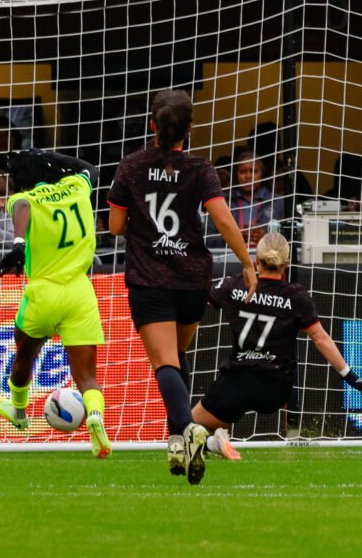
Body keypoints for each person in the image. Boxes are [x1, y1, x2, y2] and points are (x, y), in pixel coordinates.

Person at [107, 89, 257, 485]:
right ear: (189, 129)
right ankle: (176, 441)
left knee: (165, 363)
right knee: (178, 355)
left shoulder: (131, 165)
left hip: (150, 279)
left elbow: (116, 226)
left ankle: (189, 429)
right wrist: (247, 263)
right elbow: (223, 220)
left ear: (152, 125)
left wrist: (144, 224)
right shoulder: (201, 169)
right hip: (192, 280)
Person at [194, 232, 362, 460]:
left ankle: (213, 442)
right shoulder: (296, 297)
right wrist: (351, 377)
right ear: (287, 264)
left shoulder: (236, 285)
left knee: (186, 427)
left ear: (256, 260)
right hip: (276, 388)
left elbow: (198, 299)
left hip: (238, 380)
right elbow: (320, 338)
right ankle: (224, 436)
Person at [0, 148, 113, 459]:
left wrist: (19, 243)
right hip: (80, 291)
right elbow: (90, 167)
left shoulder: (23, 198)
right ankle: (96, 417)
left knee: (23, 357)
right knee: (87, 376)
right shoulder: (77, 185)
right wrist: (49, 158)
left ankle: (18, 410)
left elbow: (23, 205)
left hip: (43, 292)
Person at [207, 150, 283, 249]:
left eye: (254, 171)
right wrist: (233, 239)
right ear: (236, 174)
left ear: (262, 174)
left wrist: (266, 239)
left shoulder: (278, 202)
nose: (248, 176)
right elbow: (207, 239)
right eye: (243, 172)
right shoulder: (222, 202)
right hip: (229, 257)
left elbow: (293, 240)